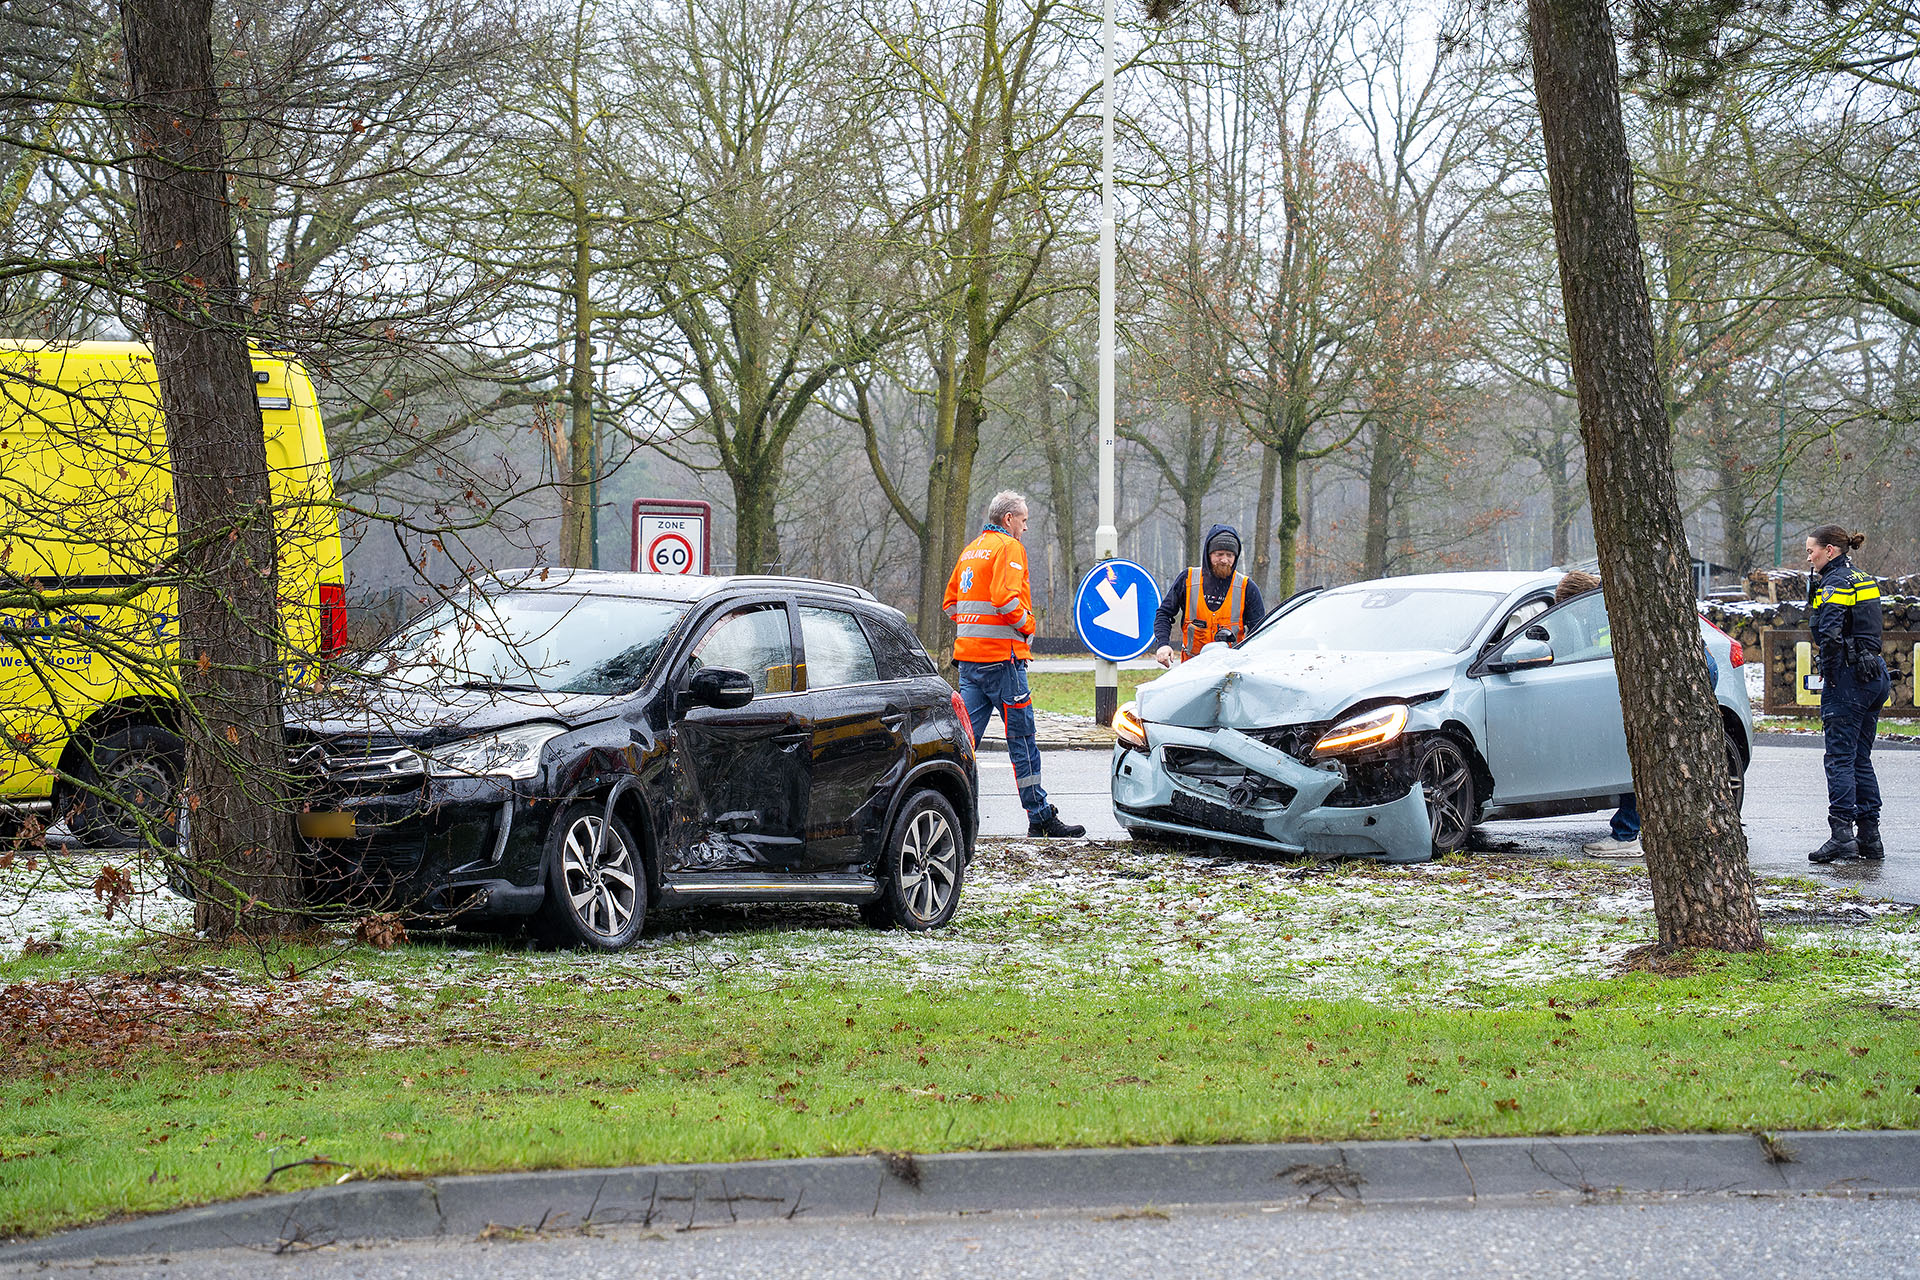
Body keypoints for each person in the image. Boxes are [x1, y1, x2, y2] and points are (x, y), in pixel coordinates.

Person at [943, 490, 1085, 838]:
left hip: (969, 662)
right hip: (1004, 663)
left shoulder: (971, 550)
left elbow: (950, 604)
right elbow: (1005, 598)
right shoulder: (1009, 549)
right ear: (1008, 519)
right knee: (1022, 740)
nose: (1025, 525)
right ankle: (1039, 817)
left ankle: (950, 813)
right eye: (1023, 519)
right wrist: (1027, 625)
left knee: (964, 743)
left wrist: (975, 629)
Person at [1558, 571, 1720, 859]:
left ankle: (1627, 835)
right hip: (1695, 665)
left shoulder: (1609, 607)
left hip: (1683, 673)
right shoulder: (1621, 589)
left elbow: (1609, 654)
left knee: (1645, 756)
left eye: (1575, 612)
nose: (1579, 620)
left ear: (1581, 599)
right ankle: (1694, 829)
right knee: (1671, 758)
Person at [1804, 524, 1890, 864]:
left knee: (1839, 757)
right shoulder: (1863, 578)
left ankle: (1841, 835)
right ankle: (1870, 836)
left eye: (1812, 550)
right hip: (1875, 675)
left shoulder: (1836, 582)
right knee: (1859, 757)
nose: (1808, 557)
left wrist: (1830, 673)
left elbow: (1829, 631)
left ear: (1830, 550)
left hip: (1850, 678)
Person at [1151, 524, 1268, 667]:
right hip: (1192, 669)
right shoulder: (1187, 580)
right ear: (1208, 554)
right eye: (1219, 554)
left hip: (1231, 672)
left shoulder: (1247, 587)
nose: (1224, 560)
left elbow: (1261, 632)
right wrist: (1163, 644)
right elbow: (1164, 613)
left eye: (1230, 555)